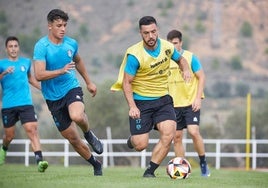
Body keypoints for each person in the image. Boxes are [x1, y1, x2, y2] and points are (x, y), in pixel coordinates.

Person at [111, 16, 191, 178]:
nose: (151, 36)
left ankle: (150, 171)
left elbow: (181, 59)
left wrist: (186, 68)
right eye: (146, 33)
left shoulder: (167, 47)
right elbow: (127, 83)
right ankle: (132, 140)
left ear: (157, 30)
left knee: (169, 134)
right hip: (141, 102)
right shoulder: (135, 55)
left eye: (153, 32)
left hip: (163, 99)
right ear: (141, 33)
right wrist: (132, 106)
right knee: (141, 144)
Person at [33, 9, 103, 176]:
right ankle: (96, 164)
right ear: (50, 26)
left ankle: (89, 134)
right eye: (59, 25)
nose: (63, 29)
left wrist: (89, 82)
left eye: (65, 25)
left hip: (71, 87)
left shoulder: (71, 44)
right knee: (72, 138)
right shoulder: (41, 47)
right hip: (52, 98)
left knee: (77, 116)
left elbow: (78, 61)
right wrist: (61, 70)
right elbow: (39, 74)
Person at [0, 36, 48, 172]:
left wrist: (44, 89)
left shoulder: (26, 62)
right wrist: (4, 73)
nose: (13, 49)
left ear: (18, 48)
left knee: (32, 130)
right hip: (8, 105)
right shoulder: (1, 64)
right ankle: (4, 149)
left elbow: (31, 79)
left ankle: (40, 161)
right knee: (9, 136)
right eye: (11, 46)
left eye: (15, 46)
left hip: (26, 103)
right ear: (6, 49)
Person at [166, 29, 210, 177]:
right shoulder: (165, 60)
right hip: (173, 106)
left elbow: (202, 77)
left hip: (191, 103)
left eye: (175, 43)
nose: (173, 46)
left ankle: (203, 162)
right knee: (177, 137)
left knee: (193, 131)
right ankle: (181, 168)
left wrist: (198, 98)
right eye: (170, 44)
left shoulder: (191, 57)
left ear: (181, 43)